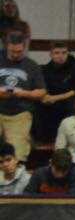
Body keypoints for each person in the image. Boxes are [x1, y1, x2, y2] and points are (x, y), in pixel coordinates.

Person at [0, 30, 46, 159]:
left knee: (17, 152)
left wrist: (23, 93)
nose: (15, 55)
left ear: (24, 47)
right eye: (12, 51)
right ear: (7, 46)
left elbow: (42, 92)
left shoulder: (32, 65)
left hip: (20, 113)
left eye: (19, 52)